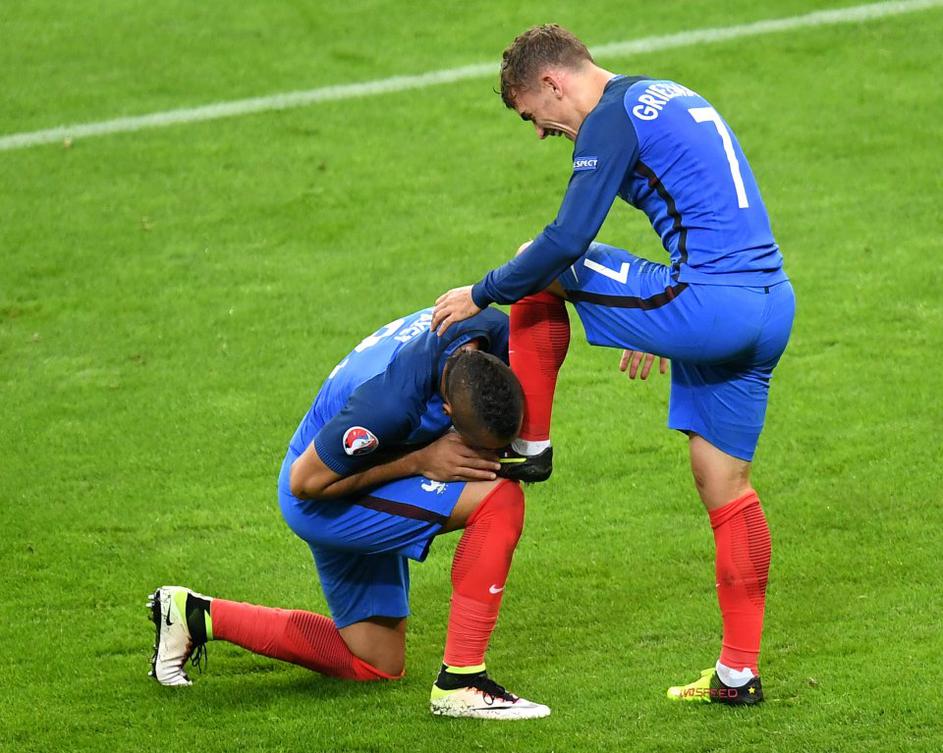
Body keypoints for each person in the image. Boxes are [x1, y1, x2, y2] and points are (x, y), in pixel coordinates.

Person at [431, 24, 795, 705]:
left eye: (531, 116)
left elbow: (567, 240)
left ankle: (529, 443)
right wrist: (660, 320)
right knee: (724, 482)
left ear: (552, 83)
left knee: (534, 260)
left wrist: (479, 292)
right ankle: (736, 674)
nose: (540, 133)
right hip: (769, 304)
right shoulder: (664, 92)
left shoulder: (608, 117)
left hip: (709, 305)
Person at [148, 307, 550, 720]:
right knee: (500, 499)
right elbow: (305, 482)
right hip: (323, 492)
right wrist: (421, 461)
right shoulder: (390, 404)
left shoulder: (489, 330)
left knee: (376, 663)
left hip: (356, 461)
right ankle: (461, 681)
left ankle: (193, 615)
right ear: (447, 411)